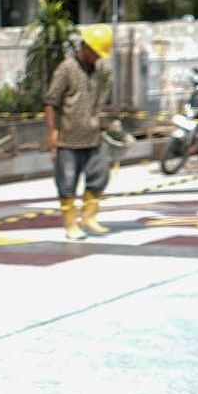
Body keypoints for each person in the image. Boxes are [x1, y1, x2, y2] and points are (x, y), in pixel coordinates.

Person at [45, 24, 117, 238]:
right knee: (67, 182)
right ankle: (70, 225)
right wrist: (52, 133)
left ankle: (89, 217)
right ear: (85, 47)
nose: (98, 58)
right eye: (95, 53)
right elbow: (50, 102)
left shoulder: (99, 72)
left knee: (100, 176)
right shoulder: (66, 69)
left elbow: (98, 102)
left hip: (93, 136)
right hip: (68, 139)